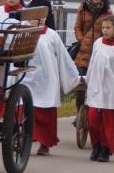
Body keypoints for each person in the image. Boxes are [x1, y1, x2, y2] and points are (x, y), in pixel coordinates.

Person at [23, 16, 81, 156]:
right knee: (25, 109)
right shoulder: (24, 31)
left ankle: (45, 143)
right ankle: (24, 138)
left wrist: (74, 77)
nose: (40, 20)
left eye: (43, 18)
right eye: (36, 18)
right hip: (27, 77)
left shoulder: (52, 35)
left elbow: (63, 57)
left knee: (45, 112)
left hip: (46, 80)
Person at [84, 16, 114, 162]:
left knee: (108, 122)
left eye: (108, 28)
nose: (105, 30)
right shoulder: (98, 43)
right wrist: (87, 80)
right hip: (96, 87)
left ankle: (105, 148)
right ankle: (96, 145)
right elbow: (92, 64)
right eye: (103, 28)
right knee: (93, 119)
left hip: (112, 91)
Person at [73, 0, 113, 113]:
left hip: (98, 55)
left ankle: (92, 114)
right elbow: (77, 27)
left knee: (95, 88)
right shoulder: (83, 10)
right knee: (80, 88)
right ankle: (79, 114)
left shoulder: (107, 12)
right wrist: (81, 39)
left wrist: (104, 43)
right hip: (83, 55)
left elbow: (112, 29)